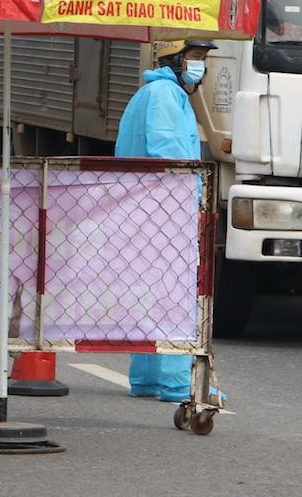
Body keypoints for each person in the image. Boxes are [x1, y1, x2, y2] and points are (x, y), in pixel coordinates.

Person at [115, 38, 216, 402]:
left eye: (203, 59)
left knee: (151, 293)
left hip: (145, 209)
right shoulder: (166, 96)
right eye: (195, 57)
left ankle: (146, 378)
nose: (200, 65)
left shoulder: (154, 93)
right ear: (175, 59)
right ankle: (175, 382)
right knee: (175, 296)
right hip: (166, 211)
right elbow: (173, 157)